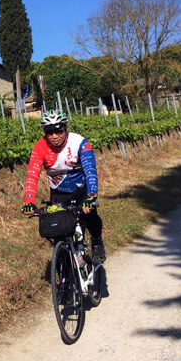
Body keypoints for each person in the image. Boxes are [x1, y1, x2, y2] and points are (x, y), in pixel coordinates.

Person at [21, 109, 106, 262]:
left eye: (58, 131)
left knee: (89, 216)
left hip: (81, 189)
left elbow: (90, 171)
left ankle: (97, 241)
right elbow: (32, 176)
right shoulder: (40, 147)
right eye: (49, 132)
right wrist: (29, 202)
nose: (54, 136)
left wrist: (91, 195)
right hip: (58, 192)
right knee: (58, 230)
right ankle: (66, 274)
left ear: (65, 129)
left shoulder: (79, 143)